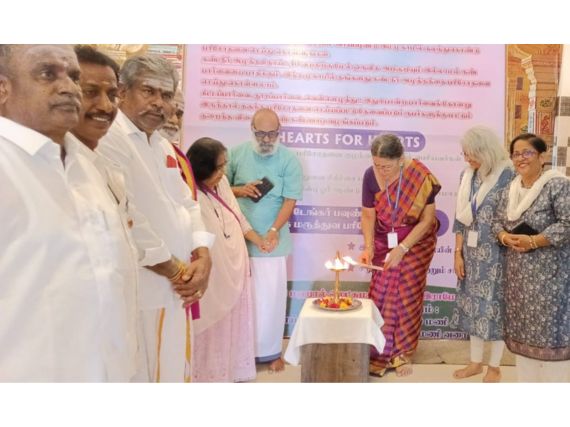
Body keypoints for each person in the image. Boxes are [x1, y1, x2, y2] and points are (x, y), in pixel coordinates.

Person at [69, 45, 202, 379]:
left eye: (166, 95)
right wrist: (177, 271)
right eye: (149, 91)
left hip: (177, 287)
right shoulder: (109, 137)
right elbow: (129, 218)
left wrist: (204, 253)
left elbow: (187, 203)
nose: (159, 103)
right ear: (124, 93)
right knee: (145, 374)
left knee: (172, 370)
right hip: (147, 286)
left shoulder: (162, 143)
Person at [0, 44, 130, 381]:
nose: (69, 87)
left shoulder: (85, 165)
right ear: (3, 88)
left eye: (73, 76)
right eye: (47, 74)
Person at [227, 108, 303, 372]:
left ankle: (271, 352)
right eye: (261, 134)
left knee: (270, 301)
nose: (267, 139)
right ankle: (241, 353)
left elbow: (290, 200)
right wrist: (240, 190)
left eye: (272, 134)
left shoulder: (289, 159)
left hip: (272, 243)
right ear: (252, 129)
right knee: (241, 301)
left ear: (280, 131)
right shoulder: (235, 154)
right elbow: (217, 188)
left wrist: (273, 231)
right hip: (239, 240)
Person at [359, 134, 441, 377]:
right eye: (377, 164)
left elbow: (427, 220)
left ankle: (403, 354)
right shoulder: (370, 176)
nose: (381, 171)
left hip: (416, 243)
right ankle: (377, 351)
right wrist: (368, 247)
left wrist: (403, 248)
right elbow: (368, 214)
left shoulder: (420, 177)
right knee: (380, 292)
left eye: (386, 166)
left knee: (408, 295)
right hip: (385, 240)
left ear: (401, 159)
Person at [187, 137, 266, 382]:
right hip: (212, 271)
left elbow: (238, 218)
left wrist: (259, 240)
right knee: (209, 323)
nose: (223, 172)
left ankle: (229, 371)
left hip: (235, 264)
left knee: (231, 322)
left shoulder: (221, 184)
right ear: (202, 168)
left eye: (224, 165)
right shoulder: (187, 190)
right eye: (218, 167)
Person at [494, 133, 570, 382]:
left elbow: (567, 224)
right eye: (516, 154)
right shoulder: (510, 189)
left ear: (542, 156)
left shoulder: (557, 185)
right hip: (518, 280)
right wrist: (505, 237)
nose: (521, 158)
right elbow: (496, 222)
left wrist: (535, 241)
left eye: (527, 152)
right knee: (524, 339)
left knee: (551, 337)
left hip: (551, 280)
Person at [449, 126, 514, 382]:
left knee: (495, 309)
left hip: (499, 255)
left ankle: (494, 366)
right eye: (464, 154)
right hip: (471, 254)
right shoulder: (467, 176)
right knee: (473, 307)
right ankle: (475, 362)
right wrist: (457, 253)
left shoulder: (507, 174)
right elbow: (460, 219)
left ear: (486, 151)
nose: (467, 159)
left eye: (471, 154)